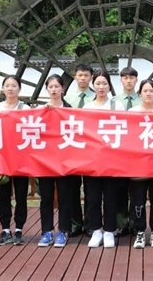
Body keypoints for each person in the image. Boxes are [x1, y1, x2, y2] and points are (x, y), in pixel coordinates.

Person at [84, 70, 126, 248]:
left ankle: (109, 231)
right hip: (92, 160)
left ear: (109, 86)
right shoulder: (87, 107)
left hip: (112, 160)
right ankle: (96, 230)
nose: (101, 87)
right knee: (93, 198)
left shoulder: (118, 106)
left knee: (110, 198)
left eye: (104, 83)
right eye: (98, 83)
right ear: (93, 85)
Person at [128, 79, 153, 249]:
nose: (148, 94)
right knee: (138, 201)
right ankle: (139, 231)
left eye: (151, 91)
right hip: (137, 166)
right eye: (145, 91)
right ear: (139, 94)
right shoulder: (131, 113)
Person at [0, 76, 29, 246]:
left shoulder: (25, 109)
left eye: (14, 85)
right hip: (3, 159)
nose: (10, 88)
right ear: (2, 89)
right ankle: (5, 229)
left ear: (19, 88)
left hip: (20, 159)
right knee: (4, 195)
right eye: (7, 85)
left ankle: (19, 228)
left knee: (21, 195)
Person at [37, 75, 73, 248]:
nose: (53, 90)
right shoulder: (40, 110)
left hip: (65, 161)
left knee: (65, 198)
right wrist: (44, 112)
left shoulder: (70, 110)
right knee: (46, 198)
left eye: (57, 86)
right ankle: (46, 231)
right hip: (45, 161)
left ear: (63, 88)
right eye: (50, 87)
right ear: (47, 89)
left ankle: (62, 231)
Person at [63, 63, 95, 236]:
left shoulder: (97, 96)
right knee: (71, 189)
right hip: (71, 147)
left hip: (91, 148)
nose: (83, 78)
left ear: (91, 77)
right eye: (80, 75)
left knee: (91, 189)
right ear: (75, 77)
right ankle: (75, 223)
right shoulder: (66, 98)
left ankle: (90, 224)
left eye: (86, 75)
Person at [112, 66, 139, 237]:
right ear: (121, 80)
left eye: (131, 78)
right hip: (120, 152)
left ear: (136, 80)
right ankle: (122, 224)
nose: (128, 81)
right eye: (125, 78)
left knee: (137, 190)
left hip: (138, 152)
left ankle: (136, 223)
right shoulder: (113, 102)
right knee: (120, 190)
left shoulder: (144, 100)